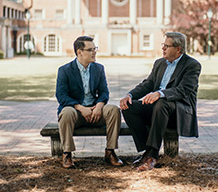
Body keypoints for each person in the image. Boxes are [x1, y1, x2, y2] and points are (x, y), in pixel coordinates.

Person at [119, 32, 201, 171]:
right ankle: (147, 150)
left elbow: (184, 90)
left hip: (179, 111)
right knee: (128, 107)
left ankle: (152, 155)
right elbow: (148, 84)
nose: (163, 48)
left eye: (166, 46)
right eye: (163, 45)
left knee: (161, 103)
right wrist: (130, 95)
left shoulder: (192, 65)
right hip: (158, 110)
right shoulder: (159, 63)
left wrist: (160, 94)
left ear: (178, 49)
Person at [55, 36, 124, 169]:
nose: (94, 52)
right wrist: (80, 108)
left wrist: (99, 106)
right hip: (76, 113)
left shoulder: (98, 68)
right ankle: (67, 154)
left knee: (114, 110)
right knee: (66, 112)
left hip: (95, 112)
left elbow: (104, 92)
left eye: (95, 49)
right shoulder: (65, 70)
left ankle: (110, 152)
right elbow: (61, 96)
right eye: (90, 49)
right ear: (79, 52)